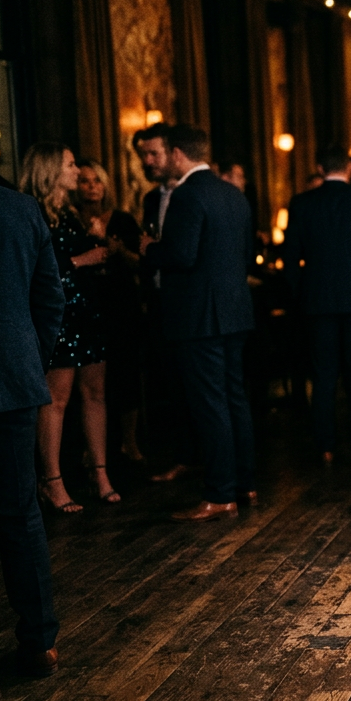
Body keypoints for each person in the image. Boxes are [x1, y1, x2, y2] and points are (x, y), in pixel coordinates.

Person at [0, 115, 66, 701]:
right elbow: (49, 298)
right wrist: (28, 358)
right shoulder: (18, 209)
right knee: (19, 513)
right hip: (12, 381)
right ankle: (40, 643)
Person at [140, 125, 257, 523]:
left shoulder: (187, 195)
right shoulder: (233, 193)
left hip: (199, 317)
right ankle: (245, 483)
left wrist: (148, 249)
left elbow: (182, 255)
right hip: (236, 311)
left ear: (176, 153)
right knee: (235, 400)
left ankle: (221, 494)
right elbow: (247, 255)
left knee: (211, 405)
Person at [21, 143, 119, 512]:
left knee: (95, 393)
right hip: (58, 315)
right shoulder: (32, 211)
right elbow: (33, 270)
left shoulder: (72, 213)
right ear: (50, 170)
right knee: (56, 399)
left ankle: (100, 473)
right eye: (71, 164)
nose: (78, 171)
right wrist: (82, 259)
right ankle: (51, 481)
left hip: (87, 311)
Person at [282, 150, 351, 467]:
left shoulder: (302, 202)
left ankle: (325, 446)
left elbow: (290, 257)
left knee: (324, 375)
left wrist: (300, 292)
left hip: (318, 301)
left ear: (319, 167)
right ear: (347, 168)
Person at [133, 123, 194, 483]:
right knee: (171, 382)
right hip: (159, 300)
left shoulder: (194, 193)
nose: (149, 161)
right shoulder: (151, 199)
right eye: (143, 156)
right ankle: (183, 455)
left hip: (189, 303)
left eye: (154, 153)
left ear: (172, 152)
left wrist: (152, 251)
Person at [75, 160, 145, 464]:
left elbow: (141, 262)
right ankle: (92, 447)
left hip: (121, 304)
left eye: (97, 180)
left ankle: (129, 442)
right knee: (89, 380)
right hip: (87, 304)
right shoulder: (69, 219)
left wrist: (116, 249)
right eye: (85, 180)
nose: (91, 186)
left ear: (105, 185)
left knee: (126, 373)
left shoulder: (122, 220)